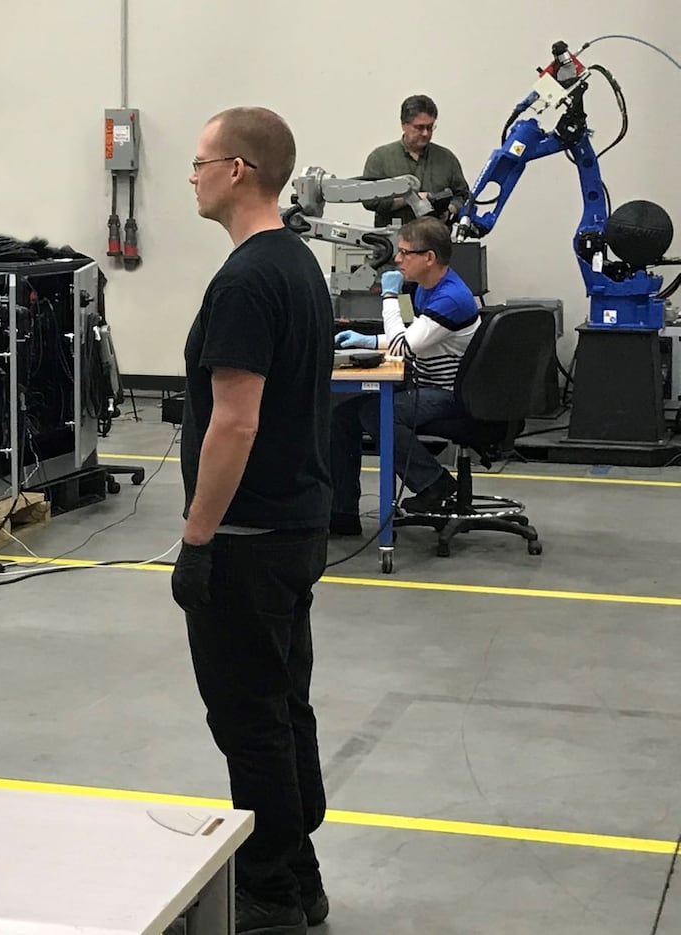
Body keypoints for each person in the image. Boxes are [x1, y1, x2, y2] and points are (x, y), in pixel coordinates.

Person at [177, 106, 332, 934]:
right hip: (296, 528)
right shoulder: (297, 264)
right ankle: (300, 874)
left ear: (238, 170)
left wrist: (197, 537)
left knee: (247, 717)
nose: (193, 177)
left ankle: (270, 890)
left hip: (246, 539)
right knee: (282, 704)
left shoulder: (243, 280)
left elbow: (234, 422)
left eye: (200, 162)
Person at [331, 217, 480, 530]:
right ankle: (341, 511)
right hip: (425, 382)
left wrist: (388, 298)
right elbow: (417, 336)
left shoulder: (450, 298)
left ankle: (433, 484)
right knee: (342, 413)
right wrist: (368, 341)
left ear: (429, 258)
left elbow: (404, 347)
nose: (397, 259)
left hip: (449, 393)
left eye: (404, 252)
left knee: (377, 413)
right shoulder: (430, 288)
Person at [361, 94, 469, 228]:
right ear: (404, 125)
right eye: (419, 127)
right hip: (392, 243)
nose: (425, 133)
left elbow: (462, 195)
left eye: (430, 127)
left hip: (436, 242)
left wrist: (449, 210)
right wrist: (411, 199)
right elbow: (369, 200)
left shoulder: (447, 158)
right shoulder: (380, 158)